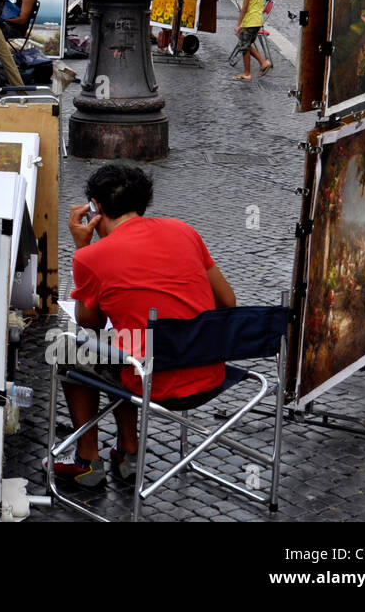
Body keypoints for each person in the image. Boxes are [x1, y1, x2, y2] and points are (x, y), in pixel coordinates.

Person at [54, 164, 237, 487]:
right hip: (208, 371)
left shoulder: (92, 256)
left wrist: (84, 248)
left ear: (95, 208)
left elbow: (89, 323)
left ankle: (87, 459)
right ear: (145, 201)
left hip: (155, 379)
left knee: (68, 346)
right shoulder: (184, 231)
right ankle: (127, 450)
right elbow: (227, 302)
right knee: (128, 343)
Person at [232, 0, 272, 81]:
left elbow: (244, 8)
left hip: (250, 21)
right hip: (257, 20)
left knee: (244, 46)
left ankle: (247, 73)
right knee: (246, 44)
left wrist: (239, 24)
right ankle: (263, 62)